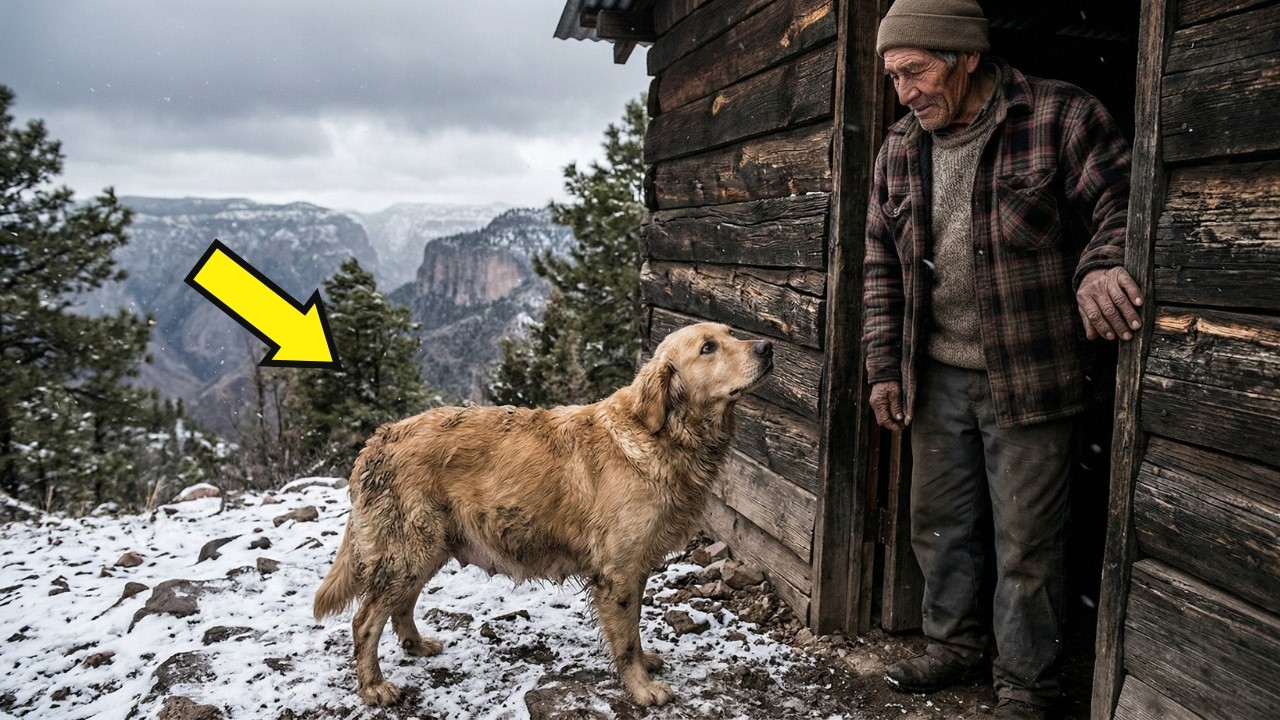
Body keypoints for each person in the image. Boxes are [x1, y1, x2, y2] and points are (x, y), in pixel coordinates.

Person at [861, 1, 1141, 718]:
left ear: (966, 57)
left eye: (917, 72)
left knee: (1028, 543)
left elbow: (1126, 204)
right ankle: (955, 646)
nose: (906, 92)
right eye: (894, 77)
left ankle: (1025, 685)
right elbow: (880, 267)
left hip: (1031, 371)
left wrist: (1101, 265)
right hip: (939, 371)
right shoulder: (898, 147)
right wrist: (884, 367)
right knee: (939, 523)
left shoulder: (1061, 116)